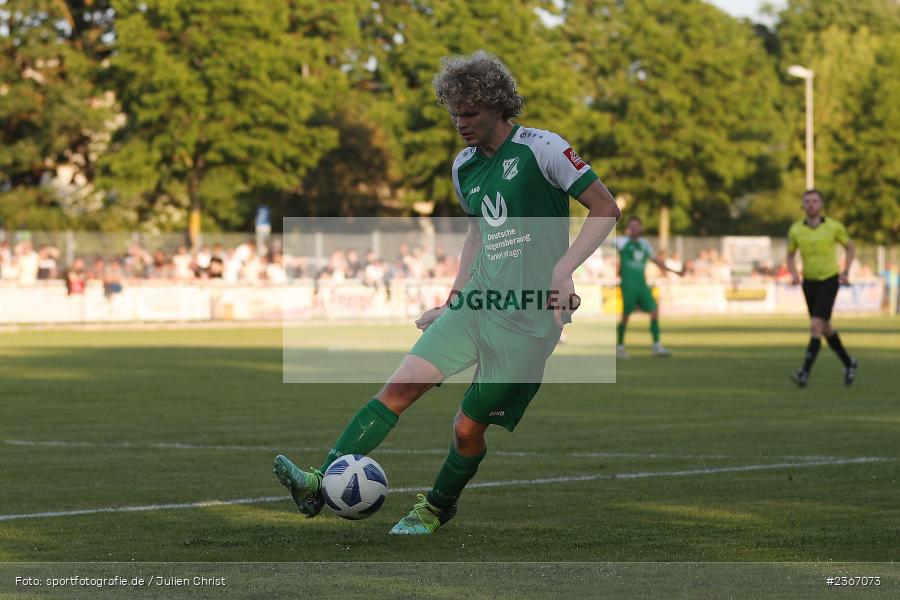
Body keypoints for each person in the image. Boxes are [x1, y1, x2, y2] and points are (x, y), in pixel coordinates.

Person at [273, 50, 620, 535]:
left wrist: (563, 270)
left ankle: (436, 507)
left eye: (470, 113)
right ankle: (317, 482)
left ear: (499, 106)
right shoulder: (464, 167)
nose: (460, 123)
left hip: (527, 321)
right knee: (397, 390)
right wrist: (454, 298)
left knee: (465, 428)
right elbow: (478, 231)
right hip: (476, 306)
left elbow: (605, 207)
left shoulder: (543, 149)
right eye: (454, 112)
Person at [787, 189, 858, 387]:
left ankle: (804, 373)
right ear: (802, 206)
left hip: (829, 280)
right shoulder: (795, 230)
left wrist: (846, 272)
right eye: (807, 201)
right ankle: (849, 362)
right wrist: (793, 273)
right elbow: (790, 255)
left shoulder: (834, 227)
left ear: (822, 205)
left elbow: (850, 247)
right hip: (809, 282)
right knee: (824, 327)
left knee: (815, 325)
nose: (811, 204)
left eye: (815, 201)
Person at [615, 216, 683, 359]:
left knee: (654, 311)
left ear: (640, 228)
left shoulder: (645, 244)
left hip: (642, 285)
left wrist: (675, 272)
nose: (633, 228)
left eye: (636, 226)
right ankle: (619, 347)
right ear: (629, 228)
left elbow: (657, 262)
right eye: (631, 226)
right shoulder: (621, 242)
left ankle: (656, 346)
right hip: (628, 286)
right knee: (625, 317)